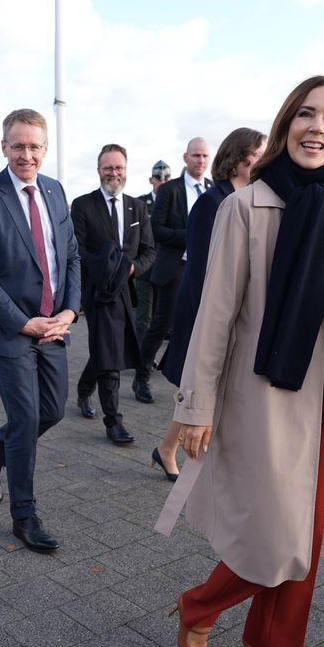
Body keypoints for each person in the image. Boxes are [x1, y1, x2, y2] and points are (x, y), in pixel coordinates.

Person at [161, 76, 324, 647]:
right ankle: (198, 609)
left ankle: (273, 644)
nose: (318, 127)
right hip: (265, 391)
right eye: (307, 114)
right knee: (280, 531)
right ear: (286, 122)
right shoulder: (246, 207)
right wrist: (196, 405)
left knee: (308, 532)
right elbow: (215, 314)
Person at [0, 108, 80, 553]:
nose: (26, 154)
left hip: (53, 325)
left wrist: (70, 310)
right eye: (18, 146)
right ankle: (24, 514)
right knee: (26, 418)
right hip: (10, 328)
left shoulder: (54, 191)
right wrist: (22, 322)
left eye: (34, 146)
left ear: (45, 149)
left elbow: (69, 257)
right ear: (4, 147)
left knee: (51, 412)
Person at [153, 127, 266, 481]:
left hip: (232, 309)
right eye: (261, 155)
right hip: (205, 308)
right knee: (200, 386)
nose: (267, 160)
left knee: (208, 388)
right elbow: (204, 265)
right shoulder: (211, 202)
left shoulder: (250, 198)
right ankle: (175, 450)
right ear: (240, 158)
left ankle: (170, 448)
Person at [72, 143, 155, 446]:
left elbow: (149, 251)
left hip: (126, 291)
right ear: (98, 171)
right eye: (108, 168)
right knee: (109, 353)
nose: (113, 173)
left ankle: (83, 389)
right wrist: (103, 268)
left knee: (105, 349)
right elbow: (76, 250)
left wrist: (132, 269)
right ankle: (113, 422)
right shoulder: (83, 205)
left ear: (126, 169)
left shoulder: (138, 207)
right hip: (98, 292)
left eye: (118, 167)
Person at [134, 137, 212, 403]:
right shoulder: (171, 190)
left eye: (204, 156)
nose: (200, 160)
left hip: (204, 268)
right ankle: (141, 376)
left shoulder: (212, 189)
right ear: (185, 158)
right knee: (162, 324)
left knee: (199, 325)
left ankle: (186, 378)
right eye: (196, 156)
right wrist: (192, 236)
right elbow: (156, 229)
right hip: (175, 266)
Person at [134, 160, 171, 343]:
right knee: (144, 315)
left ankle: (150, 354)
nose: (162, 182)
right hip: (146, 269)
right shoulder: (140, 203)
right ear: (151, 180)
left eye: (166, 178)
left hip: (166, 267)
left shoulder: (175, 203)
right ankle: (141, 355)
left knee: (162, 314)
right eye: (158, 178)